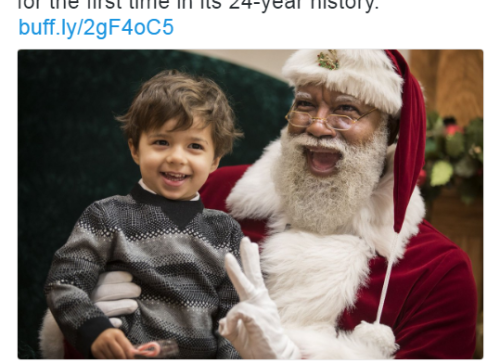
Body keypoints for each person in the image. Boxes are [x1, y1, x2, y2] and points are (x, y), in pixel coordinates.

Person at [43, 50, 478, 359]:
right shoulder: (217, 195)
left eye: (347, 110)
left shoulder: (438, 272)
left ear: (390, 135)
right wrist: (89, 326)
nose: (319, 126)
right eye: (305, 105)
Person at [42, 70, 244, 359]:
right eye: (161, 142)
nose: (176, 157)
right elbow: (64, 283)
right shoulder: (106, 215)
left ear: (214, 161)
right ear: (135, 148)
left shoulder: (225, 231)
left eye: (194, 146)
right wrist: (95, 330)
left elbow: (235, 314)